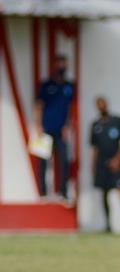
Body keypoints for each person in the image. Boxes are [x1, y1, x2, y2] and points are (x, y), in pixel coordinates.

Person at [90, 97, 120, 233]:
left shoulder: (117, 121)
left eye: (103, 104)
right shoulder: (95, 125)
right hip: (102, 165)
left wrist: (117, 159)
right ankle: (108, 226)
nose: (101, 107)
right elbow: (94, 148)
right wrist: (93, 167)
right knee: (104, 194)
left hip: (116, 164)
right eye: (99, 105)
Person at [34, 54, 74, 199]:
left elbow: (70, 108)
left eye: (64, 63)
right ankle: (43, 193)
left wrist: (68, 126)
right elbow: (39, 106)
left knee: (64, 160)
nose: (62, 66)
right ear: (54, 65)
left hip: (61, 130)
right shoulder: (46, 85)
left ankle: (63, 192)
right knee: (43, 162)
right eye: (59, 63)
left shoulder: (69, 86)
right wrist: (38, 126)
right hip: (45, 129)